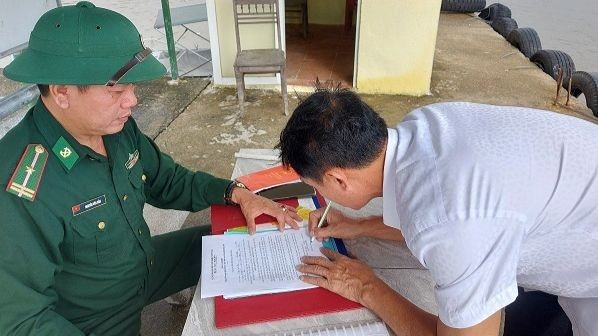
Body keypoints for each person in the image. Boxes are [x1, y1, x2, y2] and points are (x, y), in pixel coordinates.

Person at [0, 2, 300, 335]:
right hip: (95, 318)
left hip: (143, 265)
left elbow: (167, 180)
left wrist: (235, 193)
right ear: (61, 92)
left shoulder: (115, 128)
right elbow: (22, 320)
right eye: (116, 88)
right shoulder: (20, 184)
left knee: (237, 245)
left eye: (132, 87)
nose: (132, 101)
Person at [277, 88, 598, 336]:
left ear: (337, 178)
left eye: (315, 187)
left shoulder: (448, 218)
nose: (320, 195)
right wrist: (357, 226)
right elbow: (433, 218)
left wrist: (366, 286)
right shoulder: (424, 127)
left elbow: (445, 223)